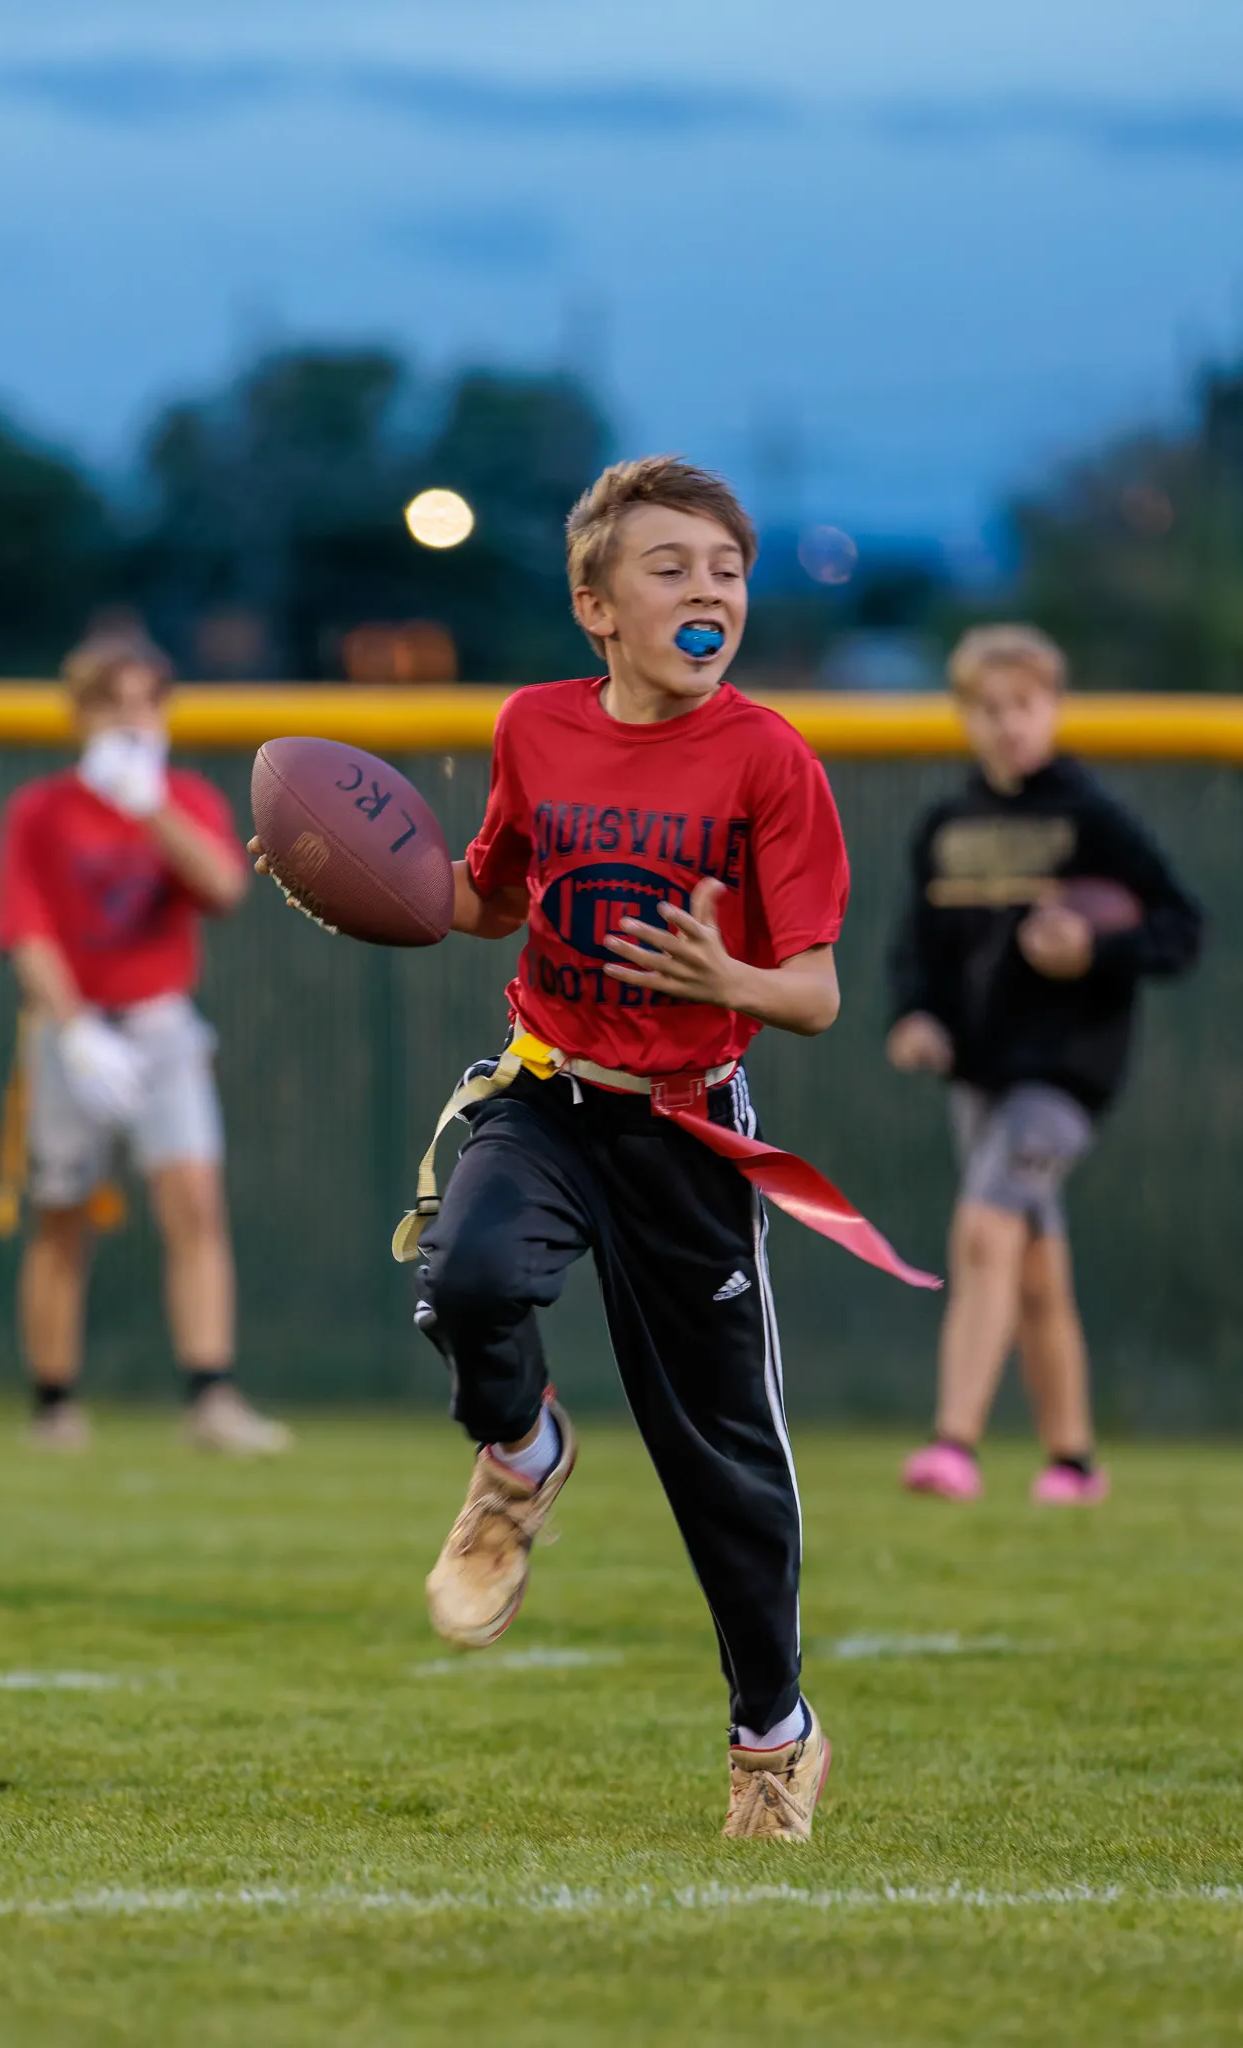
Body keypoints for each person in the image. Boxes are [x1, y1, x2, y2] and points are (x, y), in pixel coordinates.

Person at [257, 457, 934, 1841]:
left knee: (722, 1463)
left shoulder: (768, 759)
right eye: (669, 567)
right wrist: (346, 880)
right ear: (595, 606)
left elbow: (811, 994)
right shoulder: (534, 730)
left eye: (725, 570)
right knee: (470, 1277)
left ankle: (772, 1739)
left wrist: (722, 973)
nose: (706, 592)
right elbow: (482, 900)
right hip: (549, 1090)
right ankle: (519, 1452)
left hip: (685, 1124)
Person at [887, 623, 1201, 1504]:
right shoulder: (947, 825)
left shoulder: (1092, 820)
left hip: (1065, 1078)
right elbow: (918, 948)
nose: (1008, 724)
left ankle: (954, 1445)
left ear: (1054, 708)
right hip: (979, 1074)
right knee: (1032, 1264)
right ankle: (1073, 1460)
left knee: (985, 1229)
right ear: (965, 718)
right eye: (988, 709)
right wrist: (916, 1015)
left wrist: (1096, 948)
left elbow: (1182, 929)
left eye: (1023, 706)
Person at [0, 630, 291, 1455]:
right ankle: (53, 1405)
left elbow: (225, 885)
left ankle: (211, 1395)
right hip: (71, 1029)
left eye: (145, 703)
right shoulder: (40, 810)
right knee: (61, 1213)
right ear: (81, 714)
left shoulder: (183, 797)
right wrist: (76, 1031)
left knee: (193, 1201)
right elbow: (27, 929)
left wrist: (147, 805)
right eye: (112, 705)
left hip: (162, 1026)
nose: (130, 720)